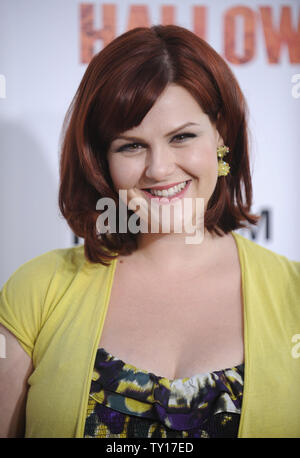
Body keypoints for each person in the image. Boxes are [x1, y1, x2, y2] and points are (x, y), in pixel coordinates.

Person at [0, 25, 299, 439]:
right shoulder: (37, 290)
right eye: (131, 145)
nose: (158, 169)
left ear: (221, 136)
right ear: (101, 160)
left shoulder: (294, 295)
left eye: (182, 137)